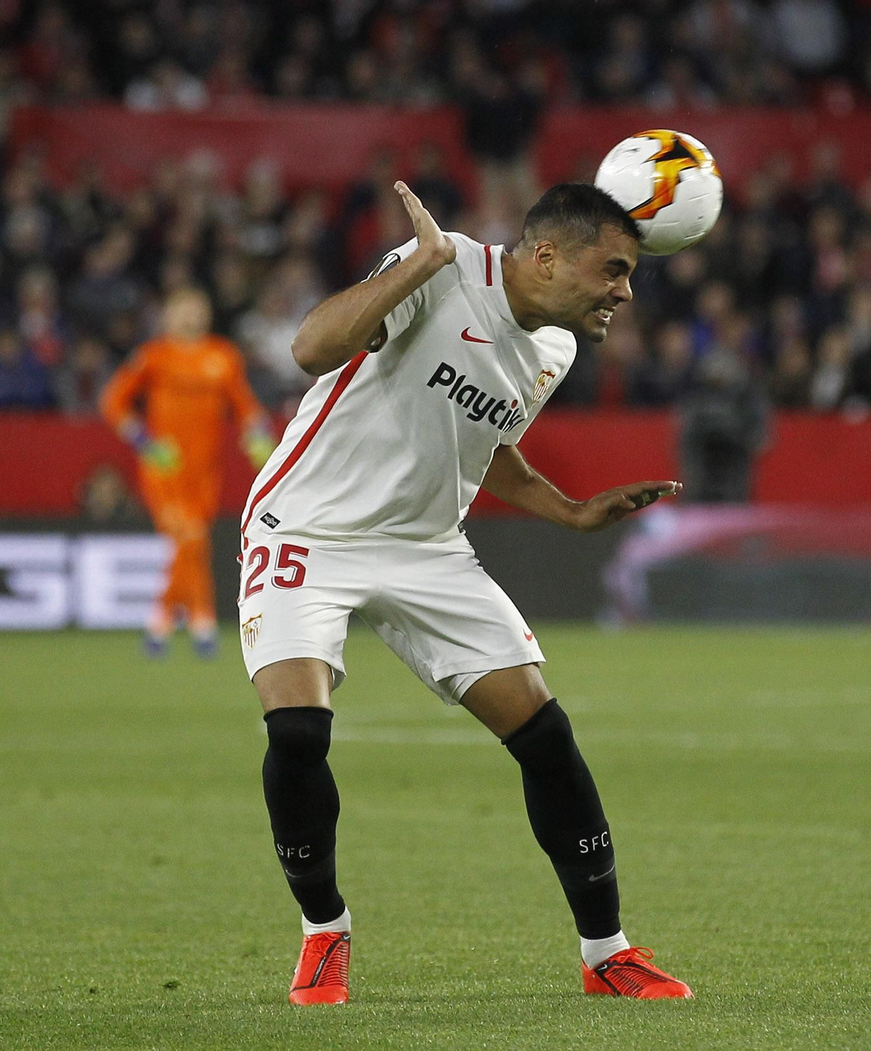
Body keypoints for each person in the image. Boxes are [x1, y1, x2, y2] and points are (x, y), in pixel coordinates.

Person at [239, 180, 692, 1006]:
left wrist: (569, 511)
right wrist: (421, 263)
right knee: (299, 729)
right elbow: (309, 349)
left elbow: (487, 443)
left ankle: (607, 951)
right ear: (548, 255)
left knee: (545, 735)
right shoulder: (444, 269)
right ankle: (324, 931)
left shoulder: (554, 348)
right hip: (307, 523)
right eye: (614, 270)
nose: (626, 291)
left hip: (425, 547)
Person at [100, 287, 275, 657]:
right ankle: (198, 623)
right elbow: (113, 401)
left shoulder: (223, 356)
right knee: (189, 538)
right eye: (182, 309)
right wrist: (145, 441)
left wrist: (258, 435)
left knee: (193, 544)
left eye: (198, 308)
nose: (190, 316)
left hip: (206, 470)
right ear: (167, 315)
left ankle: (164, 623)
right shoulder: (153, 356)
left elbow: (246, 406)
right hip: (165, 468)